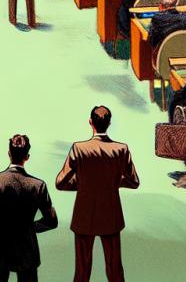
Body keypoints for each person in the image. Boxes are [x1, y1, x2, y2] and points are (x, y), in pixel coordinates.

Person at [55, 105, 138, 282]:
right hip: (111, 216)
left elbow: (60, 182)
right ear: (109, 123)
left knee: (82, 273)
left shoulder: (78, 148)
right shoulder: (121, 149)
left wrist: (83, 184)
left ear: (90, 122)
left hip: (84, 215)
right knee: (115, 272)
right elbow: (134, 182)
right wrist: (112, 182)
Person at [0, 133, 58, 282]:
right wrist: (30, 227)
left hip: (0, 249)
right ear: (27, 157)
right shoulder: (38, 185)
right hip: (27, 250)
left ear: (9, 153)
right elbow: (52, 221)